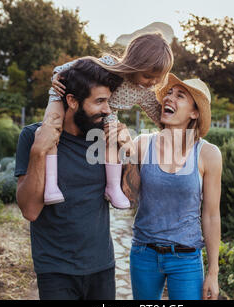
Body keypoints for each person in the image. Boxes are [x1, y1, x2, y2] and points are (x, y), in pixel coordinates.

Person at [14, 58, 124, 300]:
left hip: (102, 267)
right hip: (56, 271)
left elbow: (132, 195)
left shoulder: (105, 140)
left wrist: (128, 150)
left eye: (109, 101)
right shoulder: (32, 135)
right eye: (99, 101)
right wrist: (38, 151)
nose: (107, 109)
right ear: (72, 100)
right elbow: (30, 211)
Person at [115, 73, 222, 300]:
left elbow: (211, 215)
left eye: (180, 96)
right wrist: (124, 150)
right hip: (144, 253)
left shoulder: (208, 154)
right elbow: (128, 197)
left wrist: (213, 272)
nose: (169, 99)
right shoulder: (143, 144)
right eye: (169, 93)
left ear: (194, 113)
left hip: (186, 258)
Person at [43, 32, 173, 209]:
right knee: (52, 127)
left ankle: (112, 188)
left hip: (106, 111)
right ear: (134, 65)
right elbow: (66, 68)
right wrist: (57, 77)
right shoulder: (110, 65)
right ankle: (50, 185)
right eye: (148, 76)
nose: (153, 82)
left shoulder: (145, 92)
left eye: (159, 78)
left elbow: (158, 115)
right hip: (64, 96)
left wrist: (179, 127)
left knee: (112, 138)